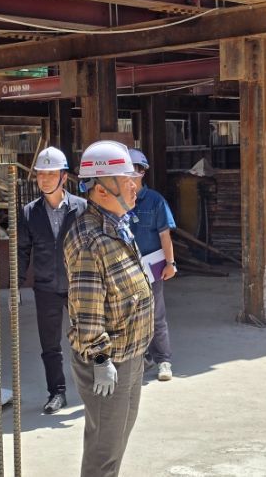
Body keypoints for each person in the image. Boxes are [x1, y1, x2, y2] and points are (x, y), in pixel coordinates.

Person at [64, 140, 154, 476]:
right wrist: (100, 360)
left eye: (134, 179)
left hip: (130, 356)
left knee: (116, 444)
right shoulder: (90, 240)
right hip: (108, 362)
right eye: (126, 180)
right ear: (101, 190)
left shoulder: (117, 225)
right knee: (104, 451)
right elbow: (86, 310)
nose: (134, 186)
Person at [18, 146, 87, 414]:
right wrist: (16, 285)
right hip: (46, 286)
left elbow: (94, 247)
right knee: (50, 344)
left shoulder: (81, 208)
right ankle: (57, 393)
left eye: (51, 174)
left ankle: (94, 387)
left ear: (64, 177)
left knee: (90, 336)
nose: (44, 179)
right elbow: (22, 250)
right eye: (40, 174)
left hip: (78, 285)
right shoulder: (29, 212)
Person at [128, 149, 177, 381]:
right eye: (128, 169)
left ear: (143, 172)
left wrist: (170, 263)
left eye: (137, 169)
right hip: (126, 270)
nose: (132, 174)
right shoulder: (116, 200)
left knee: (156, 316)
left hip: (152, 268)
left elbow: (165, 235)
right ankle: (142, 358)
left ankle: (163, 361)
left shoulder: (156, 201)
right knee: (131, 317)